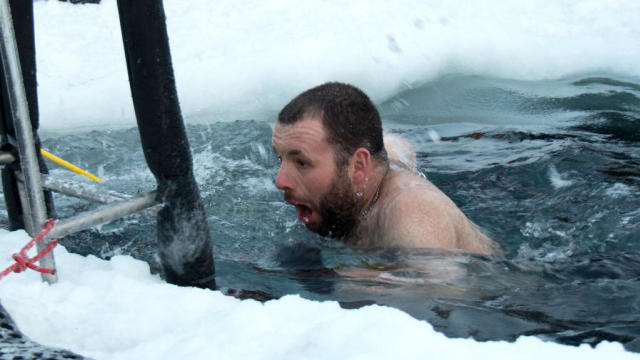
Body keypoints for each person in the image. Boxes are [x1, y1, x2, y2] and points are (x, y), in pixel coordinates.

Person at [272, 82, 498, 255]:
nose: (280, 181)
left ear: (359, 166)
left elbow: (438, 303)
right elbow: (398, 146)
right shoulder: (378, 165)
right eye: (280, 158)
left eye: (302, 163)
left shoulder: (414, 222)